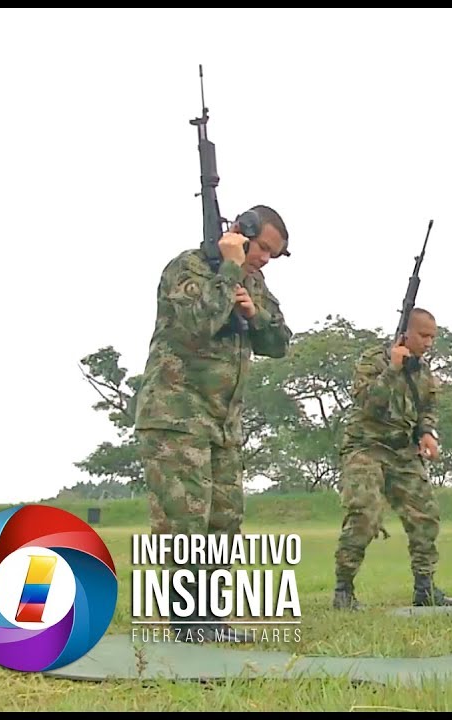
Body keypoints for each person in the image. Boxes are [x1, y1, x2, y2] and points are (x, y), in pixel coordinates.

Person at [133, 206, 293, 640]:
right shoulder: (187, 268)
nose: (264, 260)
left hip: (223, 423)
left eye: (273, 255)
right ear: (242, 233)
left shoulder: (253, 282)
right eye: (263, 249)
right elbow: (199, 321)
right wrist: (228, 274)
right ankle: (186, 623)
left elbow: (280, 341)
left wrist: (252, 311)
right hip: (176, 415)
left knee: (224, 520)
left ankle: (209, 617)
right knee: (184, 520)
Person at [332, 308, 452, 610]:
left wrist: (427, 433)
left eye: (433, 337)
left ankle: (425, 588)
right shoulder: (373, 360)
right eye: (424, 335)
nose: (429, 342)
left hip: (403, 451)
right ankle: (343, 590)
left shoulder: (424, 371)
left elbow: (427, 407)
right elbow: (368, 403)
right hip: (366, 447)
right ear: (406, 332)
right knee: (364, 514)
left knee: (425, 516)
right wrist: (392, 369)